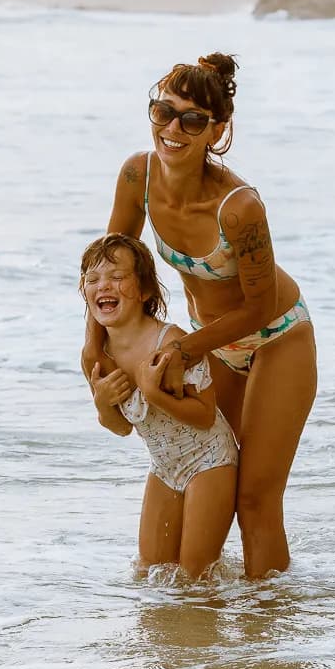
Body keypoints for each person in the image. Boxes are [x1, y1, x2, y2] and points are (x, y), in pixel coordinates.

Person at [84, 52, 316, 577]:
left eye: (192, 120)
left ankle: (269, 632)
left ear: (218, 130)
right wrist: (92, 342)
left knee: (255, 498)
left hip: (275, 338)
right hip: (213, 345)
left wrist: (184, 347)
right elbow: (109, 264)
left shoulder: (239, 207)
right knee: (216, 474)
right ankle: (204, 620)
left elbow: (257, 306)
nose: (173, 129)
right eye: (163, 112)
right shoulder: (136, 175)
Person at [81, 233, 237, 578]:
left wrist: (156, 395)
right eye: (93, 279)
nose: (103, 285)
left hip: (209, 459)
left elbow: (206, 415)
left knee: (195, 575)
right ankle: (167, 632)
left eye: (117, 277)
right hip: (164, 467)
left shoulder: (172, 343)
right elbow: (121, 427)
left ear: (145, 291)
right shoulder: (96, 357)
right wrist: (103, 404)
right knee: (151, 573)